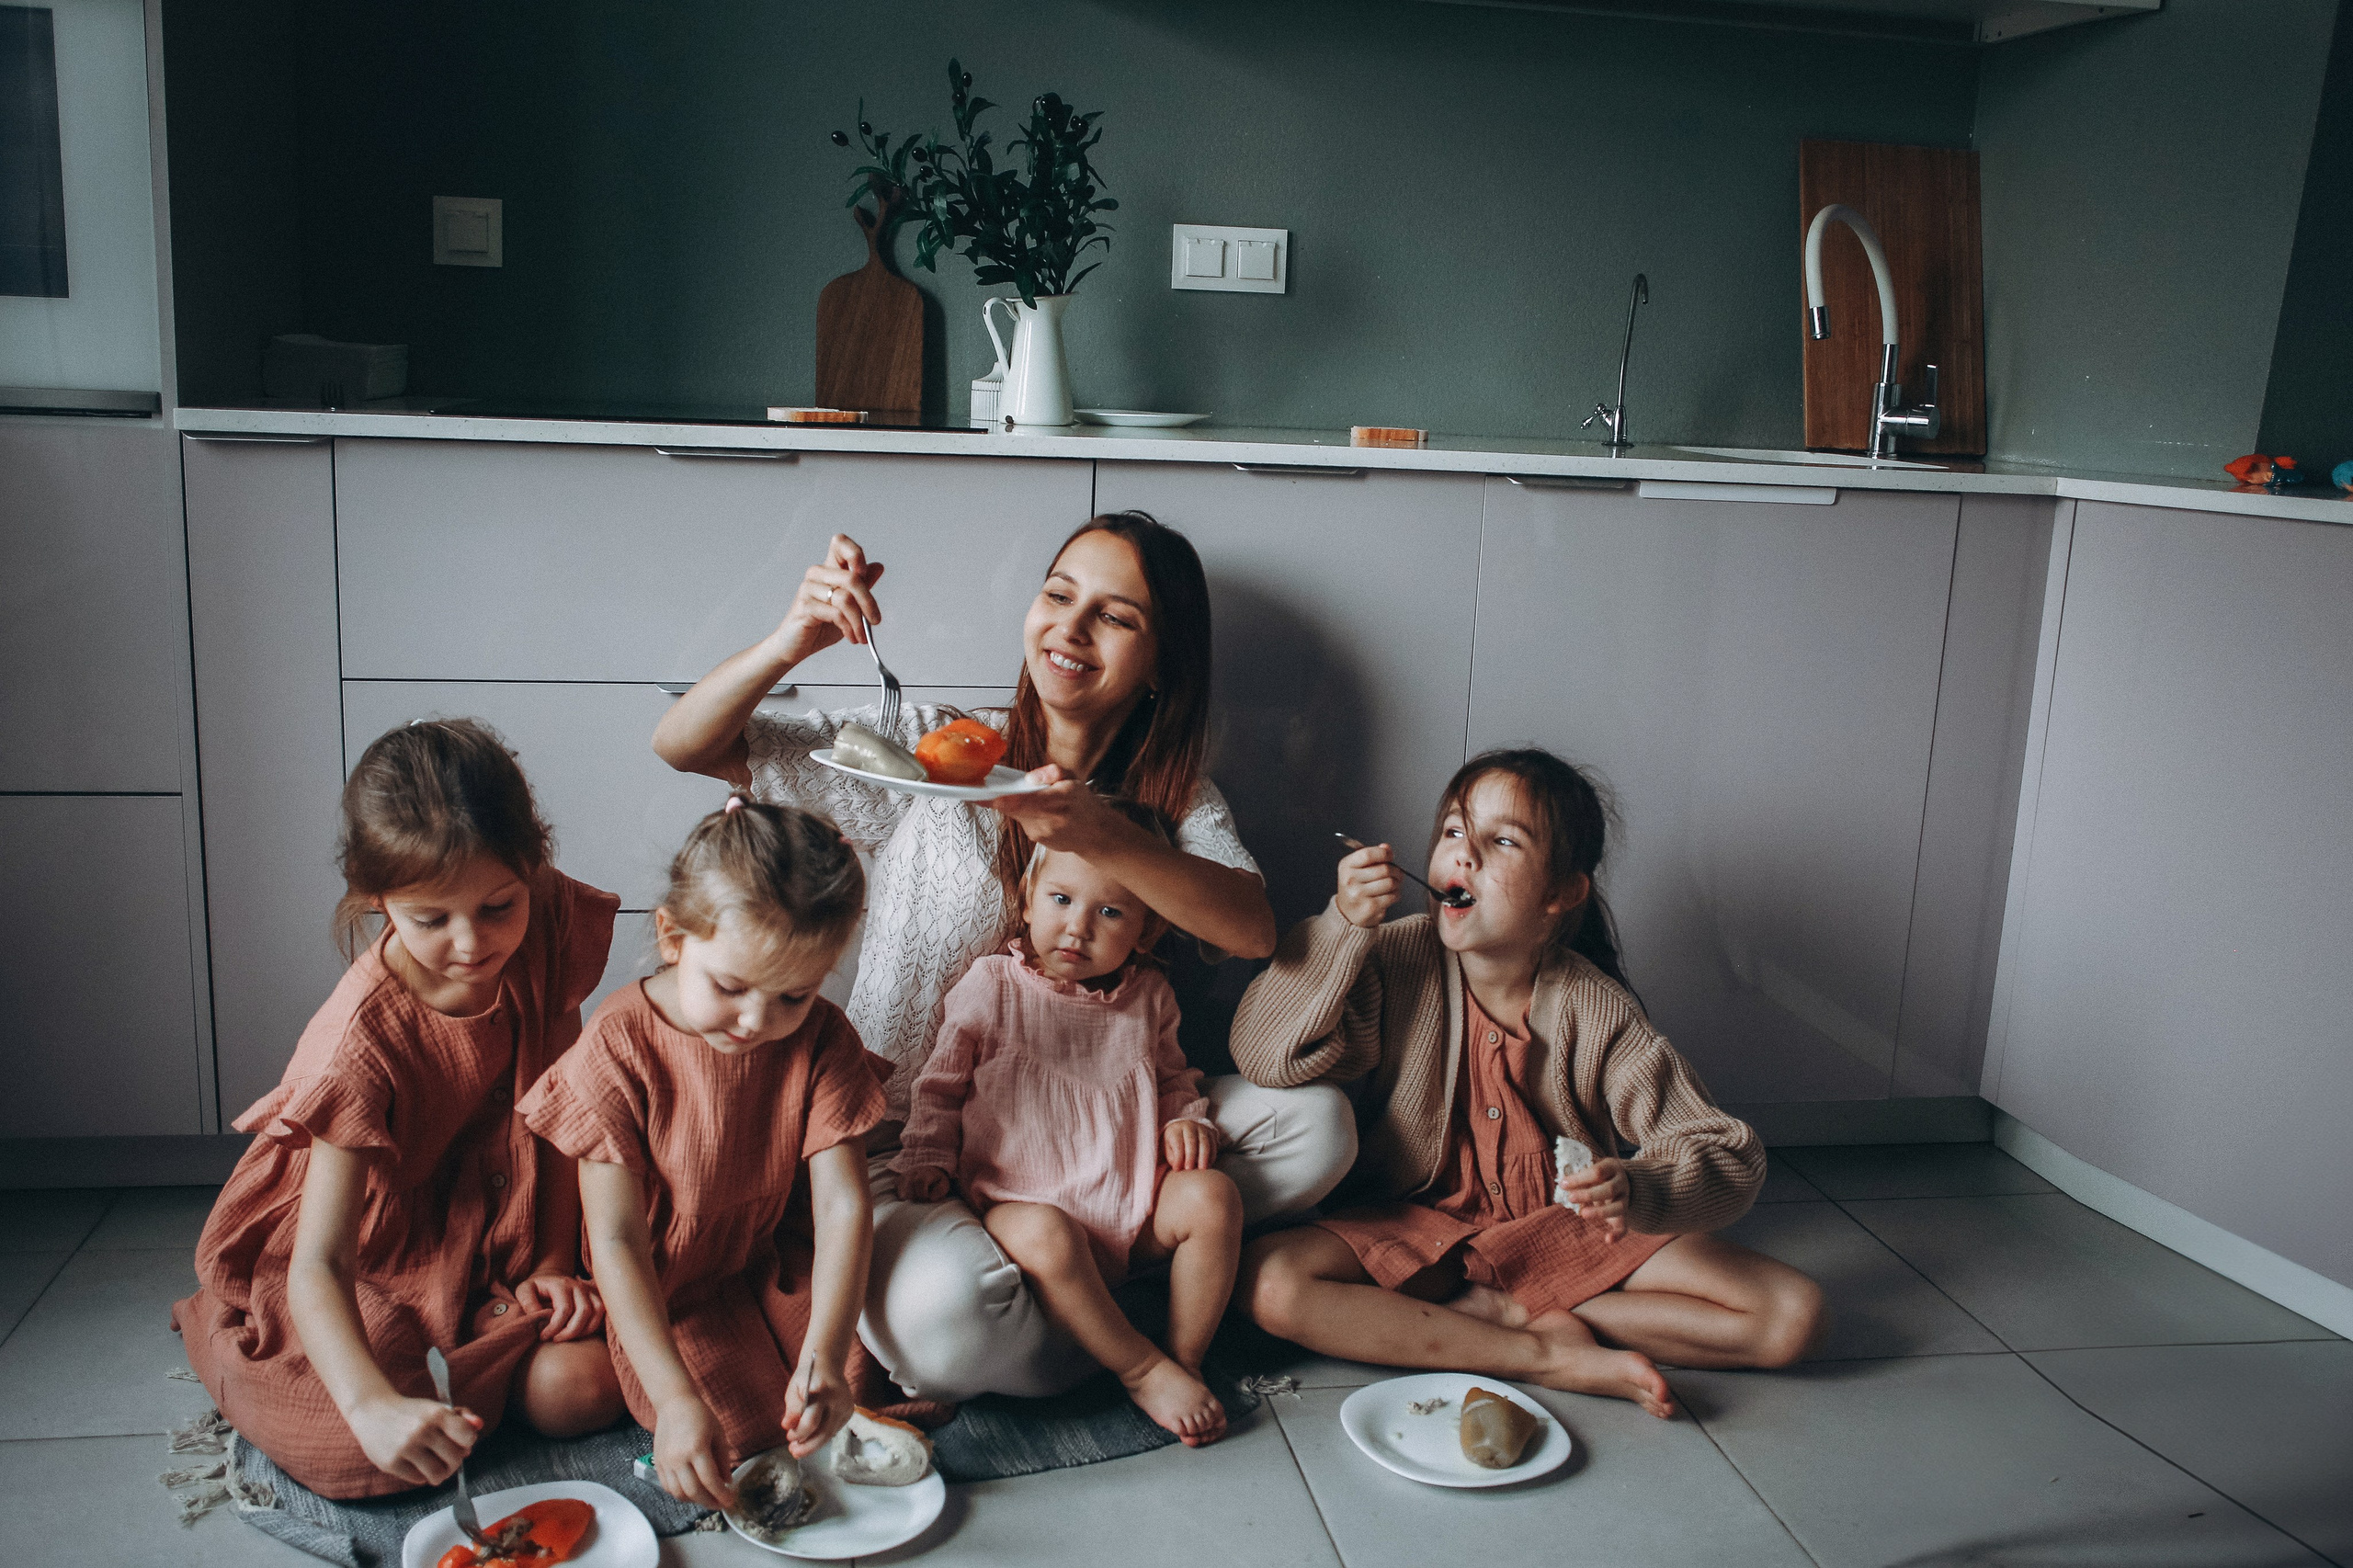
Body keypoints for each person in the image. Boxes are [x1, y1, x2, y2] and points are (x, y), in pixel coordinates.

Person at [651, 513, 1356, 1400]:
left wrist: (1098, 831)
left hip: (1102, 1135)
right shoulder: (941, 749)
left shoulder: (1174, 800)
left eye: (1116, 616)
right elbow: (688, 746)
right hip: (915, 1145)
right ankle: (1123, 1324)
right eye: (1060, 595)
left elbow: (1249, 930)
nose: (1070, 626)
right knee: (946, 1324)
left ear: (1161, 664)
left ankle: (1075, 1301)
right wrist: (796, 641)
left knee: (1320, 1125)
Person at [1231, 749, 1825, 1419]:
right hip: (1423, 1227)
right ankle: (1540, 1353)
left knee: (1789, 1317)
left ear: (1561, 894)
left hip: (1565, 1232)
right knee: (1267, 1283)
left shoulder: (1594, 1007)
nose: (1466, 855)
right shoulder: (1390, 957)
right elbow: (1264, 1055)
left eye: (1502, 841)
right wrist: (1342, 927)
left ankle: (1506, 1311)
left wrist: (1640, 1188)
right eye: (1454, 832)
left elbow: (1725, 1151)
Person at [175, 719, 624, 1499]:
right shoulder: (357, 1045)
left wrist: (553, 1260)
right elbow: (322, 1262)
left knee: (579, 1388)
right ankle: (228, 1340)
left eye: (497, 906)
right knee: (352, 1448)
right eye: (430, 919)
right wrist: (370, 1404)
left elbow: (561, 1101)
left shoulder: (543, 918)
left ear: (534, 864)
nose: (471, 942)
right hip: (374, 1249)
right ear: (375, 897)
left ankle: (485, 1367)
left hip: (516, 1210)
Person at [518, 798, 890, 1509]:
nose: (758, 1021)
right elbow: (619, 1240)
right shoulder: (619, 1043)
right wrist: (674, 1398)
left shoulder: (821, 1038)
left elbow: (844, 1204)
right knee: (735, 1438)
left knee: (850, 1390)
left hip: (763, 1256)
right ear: (672, 937)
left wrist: (823, 1357)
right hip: (662, 1285)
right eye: (730, 986)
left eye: (794, 995)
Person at [895, 801, 1245, 1446]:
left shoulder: (1148, 998)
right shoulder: (992, 985)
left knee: (1213, 1196)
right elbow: (939, 1085)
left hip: (1128, 1202)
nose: (1077, 927)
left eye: (1110, 912)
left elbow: (1172, 1078)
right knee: (1050, 1235)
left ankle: (1183, 1357)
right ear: (1027, 899)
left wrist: (1185, 1122)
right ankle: (1140, 1368)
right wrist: (925, 1156)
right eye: (1060, 898)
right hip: (1018, 1206)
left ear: (1144, 930)